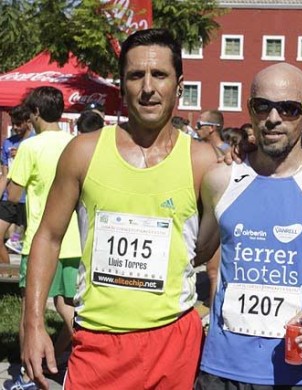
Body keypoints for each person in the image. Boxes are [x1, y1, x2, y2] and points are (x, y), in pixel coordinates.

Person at [21, 29, 216, 390]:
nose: (147, 87)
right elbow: (47, 237)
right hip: (98, 345)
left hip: (173, 344)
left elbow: (213, 253)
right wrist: (32, 324)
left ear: (179, 85)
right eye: (135, 75)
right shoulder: (83, 151)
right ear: (121, 85)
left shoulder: (202, 161)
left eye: (159, 75)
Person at [194, 62, 302, 388]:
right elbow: (195, 254)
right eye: (263, 106)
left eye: (288, 109)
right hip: (220, 371)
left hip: (297, 373)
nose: (273, 118)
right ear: (250, 110)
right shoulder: (220, 179)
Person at [4, 87, 82, 390]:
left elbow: (13, 194)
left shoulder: (30, 147)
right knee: (68, 306)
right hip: (73, 238)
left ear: (35, 113)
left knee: (30, 312)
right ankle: (76, 352)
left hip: (41, 240)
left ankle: (27, 375)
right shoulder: (76, 144)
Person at [0, 105, 33, 263]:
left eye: (18, 124)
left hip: (29, 199)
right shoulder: (7, 143)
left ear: (28, 122)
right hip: (9, 198)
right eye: (13, 123)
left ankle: (26, 279)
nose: (15, 127)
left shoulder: (36, 141)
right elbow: (5, 175)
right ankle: (8, 275)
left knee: (29, 244)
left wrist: (21, 153)